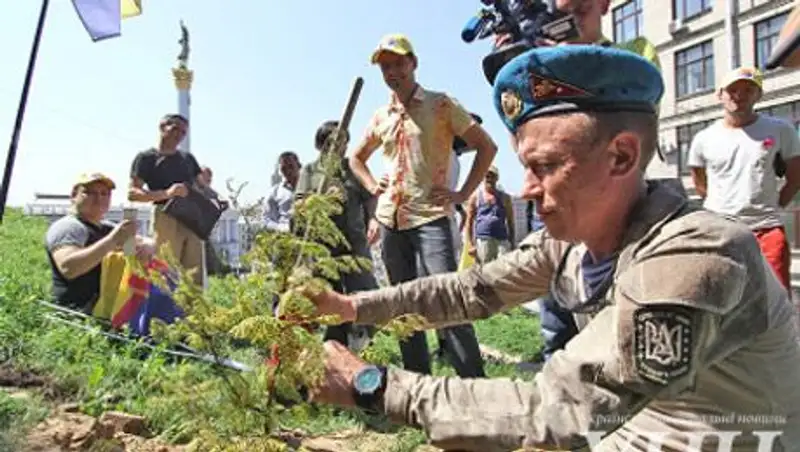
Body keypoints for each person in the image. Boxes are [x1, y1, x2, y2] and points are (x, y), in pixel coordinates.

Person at [304, 45, 800, 451]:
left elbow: (561, 410)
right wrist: (351, 306)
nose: (526, 190)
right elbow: (468, 291)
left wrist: (375, 386)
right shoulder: (573, 243)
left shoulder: (698, 255)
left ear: (621, 156)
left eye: (543, 167)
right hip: (629, 432)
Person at [348, 34, 498, 378]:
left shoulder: (441, 105)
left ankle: (473, 386)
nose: (392, 72)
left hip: (431, 218)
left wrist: (461, 194)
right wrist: (372, 185)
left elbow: (485, 147)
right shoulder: (380, 116)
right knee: (402, 305)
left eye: (399, 63)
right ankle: (418, 384)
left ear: (413, 63)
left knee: (448, 298)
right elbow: (356, 159)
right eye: (385, 66)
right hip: (390, 221)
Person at [688, 67, 800, 293]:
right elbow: (699, 183)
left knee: (776, 301)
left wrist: (775, 205)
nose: (739, 95)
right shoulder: (704, 138)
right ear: (720, 95)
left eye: (748, 90)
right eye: (733, 90)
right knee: (719, 297)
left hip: (765, 230)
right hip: (719, 231)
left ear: (758, 95)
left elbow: (796, 176)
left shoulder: (780, 130)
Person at [293, 120, 379, 351]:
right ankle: (336, 345)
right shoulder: (310, 171)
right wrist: (319, 199)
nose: (339, 147)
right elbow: (299, 203)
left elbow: (371, 195)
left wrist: (373, 219)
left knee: (363, 288)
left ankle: (365, 340)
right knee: (329, 294)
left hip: (354, 240)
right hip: (323, 243)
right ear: (320, 145)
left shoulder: (353, 167)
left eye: (343, 142)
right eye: (332, 142)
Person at [46, 173, 153, 313]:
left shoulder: (106, 227)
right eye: (90, 193)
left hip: (107, 309)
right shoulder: (69, 227)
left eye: (104, 194)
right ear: (73, 196)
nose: (99, 199)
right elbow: (68, 268)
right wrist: (112, 241)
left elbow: (145, 244)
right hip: (76, 312)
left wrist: (148, 246)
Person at [128, 113, 205, 286]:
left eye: (184, 132)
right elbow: (133, 193)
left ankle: (193, 311)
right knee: (165, 269)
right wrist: (167, 193)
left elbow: (203, 187)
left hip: (192, 218)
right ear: (163, 127)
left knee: (194, 274)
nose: (179, 135)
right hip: (166, 215)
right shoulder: (146, 158)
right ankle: (163, 311)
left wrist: (215, 199)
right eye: (175, 129)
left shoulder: (188, 158)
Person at [464, 166, 516, 263]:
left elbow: (510, 221)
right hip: (483, 239)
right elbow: (469, 222)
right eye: (487, 176)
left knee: (504, 267)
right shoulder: (476, 197)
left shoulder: (505, 198)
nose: (489, 179)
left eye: (492, 176)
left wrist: (512, 242)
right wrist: (470, 245)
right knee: (485, 270)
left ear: (497, 178)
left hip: (502, 239)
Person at [264, 151, 301, 233]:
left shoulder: (311, 187)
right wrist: (283, 229)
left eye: (291, 166)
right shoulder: (274, 192)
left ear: (298, 166)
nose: (288, 171)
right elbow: (268, 219)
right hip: (286, 238)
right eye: (284, 168)